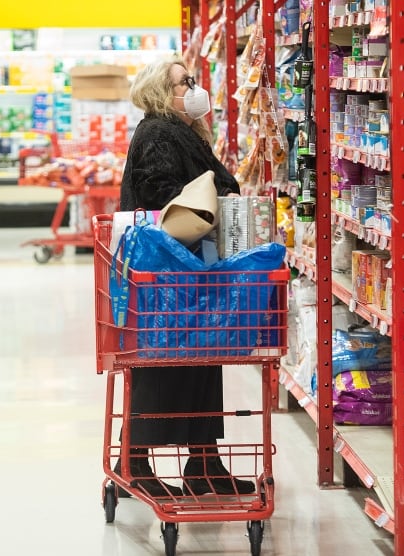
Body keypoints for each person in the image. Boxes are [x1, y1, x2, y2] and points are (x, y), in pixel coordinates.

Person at [115, 57, 255, 497]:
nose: (194, 88)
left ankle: (204, 464)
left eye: (193, 80)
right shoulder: (158, 132)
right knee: (162, 365)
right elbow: (159, 192)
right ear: (161, 91)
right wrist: (212, 197)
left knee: (200, 363)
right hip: (166, 272)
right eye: (184, 82)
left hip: (190, 269)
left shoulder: (180, 131)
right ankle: (134, 464)